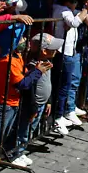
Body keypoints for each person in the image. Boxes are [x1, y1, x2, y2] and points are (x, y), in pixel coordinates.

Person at [51, 0, 88, 131]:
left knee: (67, 83)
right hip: (63, 52)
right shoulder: (62, 10)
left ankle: (64, 112)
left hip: (69, 51)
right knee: (63, 85)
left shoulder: (64, 10)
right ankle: (58, 116)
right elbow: (74, 22)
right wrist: (86, 10)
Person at [11, 33, 61, 163]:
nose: (56, 50)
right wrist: (33, 107)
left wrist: (48, 101)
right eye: (53, 48)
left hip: (42, 103)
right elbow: (30, 88)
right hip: (33, 104)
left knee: (30, 129)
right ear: (44, 51)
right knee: (24, 129)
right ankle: (16, 153)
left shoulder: (47, 62)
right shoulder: (33, 65)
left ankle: (22, 150)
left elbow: (48, 82)